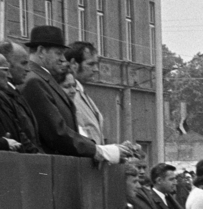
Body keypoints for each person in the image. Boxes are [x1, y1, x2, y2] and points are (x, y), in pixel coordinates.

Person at [17, 26, 134, 163]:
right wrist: (100, 151)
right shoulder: (35, 81)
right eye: (58, 53)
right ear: (41, 51)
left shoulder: (43, 79)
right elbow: (56, 133)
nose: (63, 59)